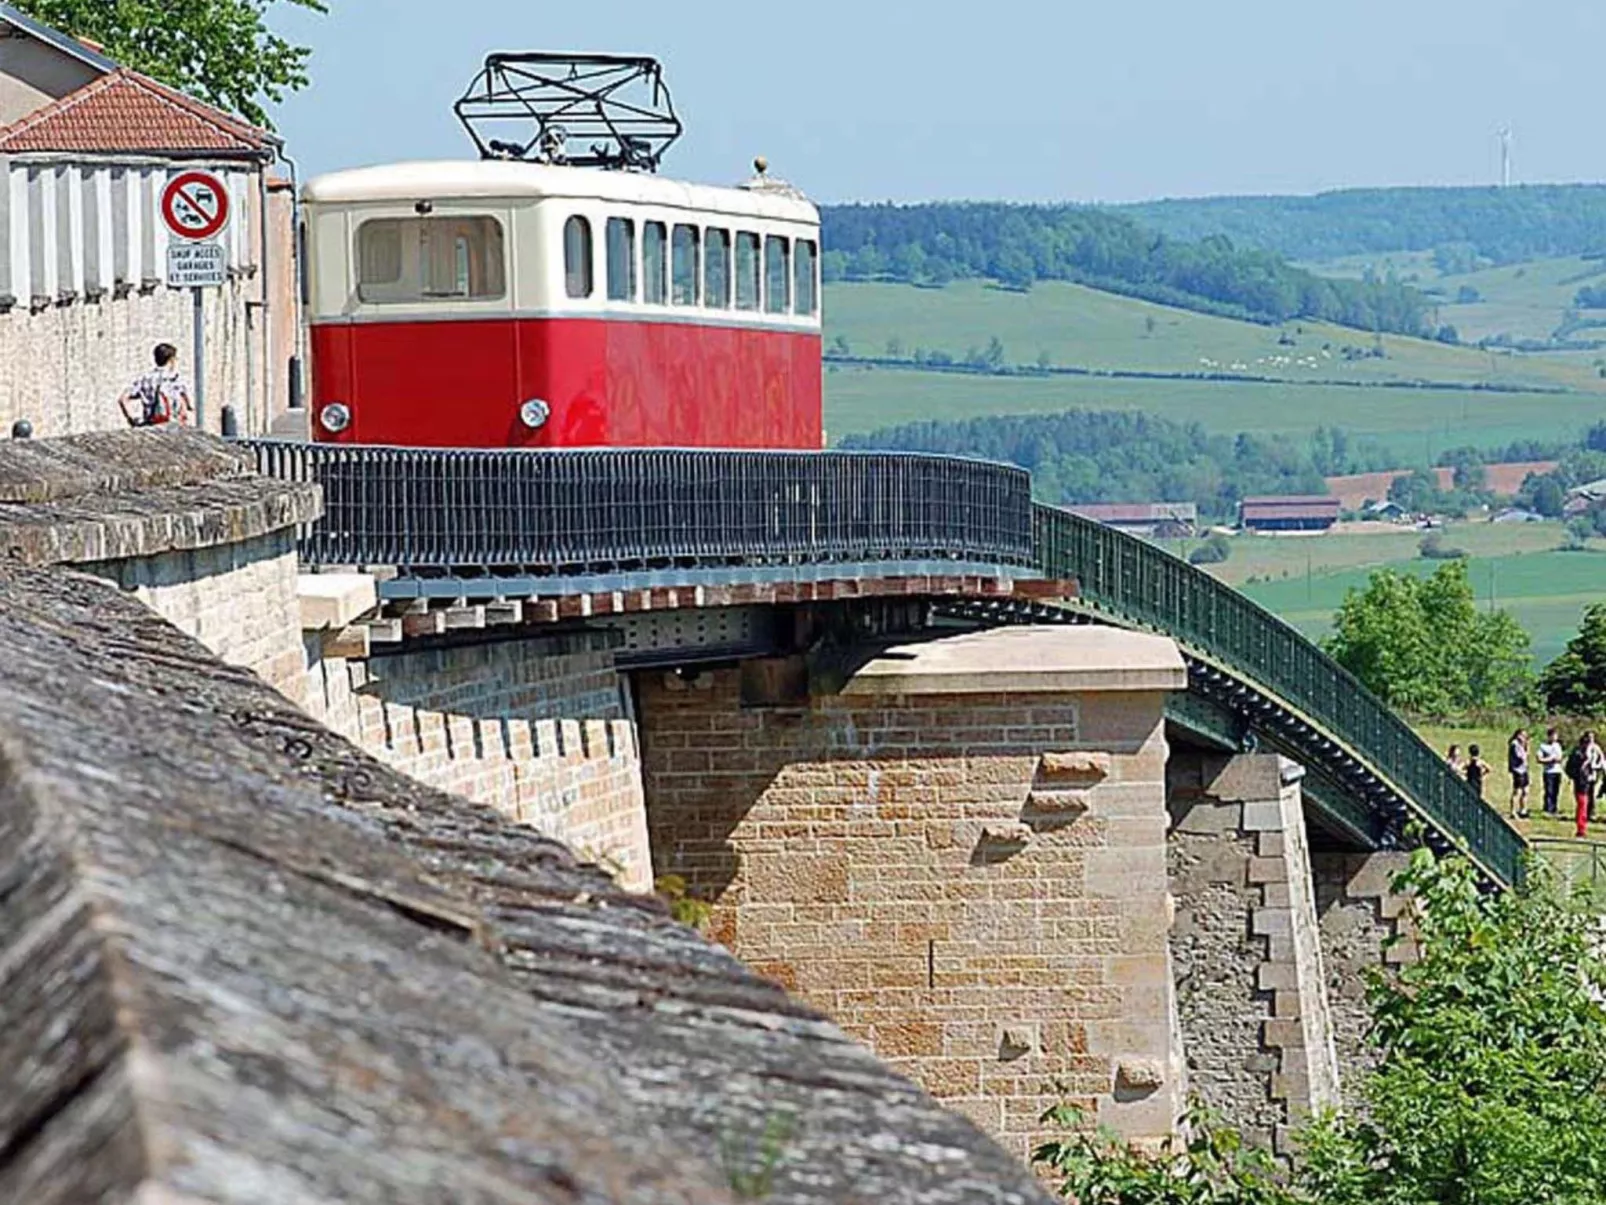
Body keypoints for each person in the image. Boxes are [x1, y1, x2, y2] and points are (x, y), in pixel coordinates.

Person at [118, 343, 193, 428]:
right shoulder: (176, 380)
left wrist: (132, 420)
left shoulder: (144, 379)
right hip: (173, 429)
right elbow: (189, 406)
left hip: (151, 427)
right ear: (171, 360)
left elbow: (123, 399)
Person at [1566, 732, 1598, 839]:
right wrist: (1576, 776)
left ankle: (1582, 828)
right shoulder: (1577, 754)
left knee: (1584, 805)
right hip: (1580, 783)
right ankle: (1581, 829)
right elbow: (1571, 768)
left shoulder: (1588, 753)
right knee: (1582, 805)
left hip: (1587, 782)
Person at [1538, 726, 1565, 816]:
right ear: (1549, 736)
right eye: (1553, 735)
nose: (1554, 737)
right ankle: (1548, 808)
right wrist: (1550, 759)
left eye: (1556, 736)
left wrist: (1556, 759)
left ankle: (1554, 808)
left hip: (1557, 771)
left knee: (1556, 791)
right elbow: (1539, 759)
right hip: (1548, 771)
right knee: (1549, 790)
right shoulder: (1543, 746)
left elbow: (1560, 757)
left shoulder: (1557, 746)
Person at [1506, 729, 1530, 819]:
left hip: (1524, 769)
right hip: (1518, 770)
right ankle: (1513, 811)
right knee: (1517, 791)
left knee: (1526, 790)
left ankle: (1523, 809)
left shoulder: (1522, 745)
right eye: (1523, 735)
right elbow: (1521, 757)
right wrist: (1525, 748)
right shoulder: (1515, 744)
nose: (1524, 738)